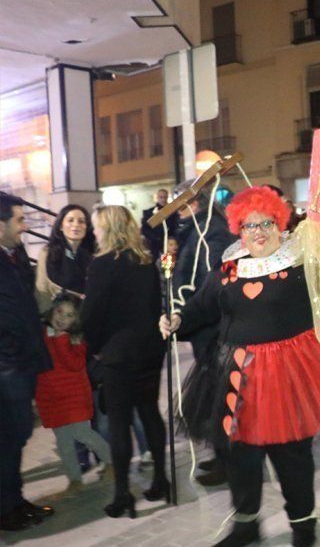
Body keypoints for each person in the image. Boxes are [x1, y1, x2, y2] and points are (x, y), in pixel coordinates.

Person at [159, 186, 320, 546]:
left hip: (287, 375)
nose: (258, 232)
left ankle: (302, 528)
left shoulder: (300, 261)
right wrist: (178, 319)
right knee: (240, 453)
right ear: (239, 229)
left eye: (266, 224)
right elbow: (203, 306)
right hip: (236, 374)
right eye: (249, 225)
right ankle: (246, 525)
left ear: (280, 224)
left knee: (292, 455)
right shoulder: (228, 267)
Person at [81, 205, 168, 519]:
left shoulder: (102, 264)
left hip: (117, 353)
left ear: (108, 228)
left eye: (96, 226)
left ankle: (122, 495)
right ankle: (161, 479)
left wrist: (96, 347)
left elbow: (91, 314)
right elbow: (152, 305)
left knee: (119, 422)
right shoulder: (144, 261)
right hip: (149, 349)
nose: (94, 232)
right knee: (149, 412)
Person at [171, 183, 238, 487]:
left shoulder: (212, 233)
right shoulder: (196, 230)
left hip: (214, 331)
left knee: (221, 396)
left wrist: (188, 315)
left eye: (179, 204)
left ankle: (231, 460)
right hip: (203, 328)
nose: (175, 210)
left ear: (194, 203)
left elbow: (213, 285)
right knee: (214, 396)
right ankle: (223, 456)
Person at [0, 193, 55, 531]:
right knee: (7, 438)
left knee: (18, 436)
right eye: (19, 220)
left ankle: (14, 500)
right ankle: (6, 509)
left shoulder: (14, 255)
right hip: (6, 365)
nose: (24, 227)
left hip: (19, 364)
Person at [35, 203, 98, 471]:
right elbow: (41, 290)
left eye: (82, 221)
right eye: (70, 220)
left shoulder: (91, 256)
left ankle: (93, 447)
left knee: (86, 394)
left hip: (87, 332)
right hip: (61, 335)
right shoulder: (49, 254)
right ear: (60, 224)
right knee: (67, 397)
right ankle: (79, 453)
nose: (76, 225)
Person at [35, 293, 112, 493]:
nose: (62, 318)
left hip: (74, 396)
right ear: (52, 310)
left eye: (69, 315)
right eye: (60, 311)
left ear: (75, 320)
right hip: (52, 398)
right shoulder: (41, 336)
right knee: (63, 442)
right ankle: (74, 479)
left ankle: (111, 462)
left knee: (82, 433)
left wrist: (61, 341)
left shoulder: (75, 339)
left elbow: (74, 364)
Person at [141, 188, 178, 261]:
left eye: (165, 197)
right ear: (157, 198)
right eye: (161, 197)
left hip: (169, 243)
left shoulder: (172, 211)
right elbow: (144, 229)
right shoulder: (149, 212)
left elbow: (175, 226)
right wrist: (154, 237)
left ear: (167, 197)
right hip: (155, 244)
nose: (163, 199)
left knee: (169, 263)